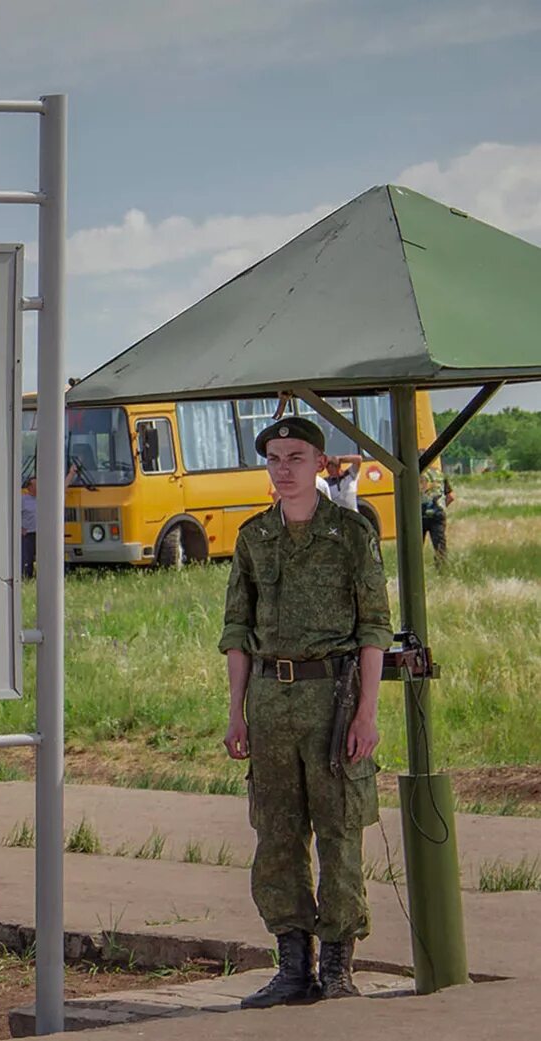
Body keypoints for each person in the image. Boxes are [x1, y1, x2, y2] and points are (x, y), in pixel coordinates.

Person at [220, 415, 391, 1009]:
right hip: (269, 701)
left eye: (295, 457)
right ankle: (293, 965)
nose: (283, 468)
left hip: (333, 701)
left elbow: (374, 629)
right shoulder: (251, 538)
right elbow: (237, 630)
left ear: (321, 463)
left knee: (340, 832)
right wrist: (236, 712)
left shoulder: (350, 535)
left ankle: (339, 967)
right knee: (276, 835)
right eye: (274, 458)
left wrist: (367, 713)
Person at [420, 466, 454, 567]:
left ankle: (414, 572)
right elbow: (451, 496)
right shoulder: (439, 474)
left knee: (415, 549)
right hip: (438, 514)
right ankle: (441, 569)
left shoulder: (415, 473)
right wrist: (442, 507)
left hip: (419, 515)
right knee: (440, 546)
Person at [20, 475, 37, 579]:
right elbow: (15, 515)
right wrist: (21, 528)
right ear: (29, 487)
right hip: (28, 534)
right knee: (27, 559)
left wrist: (71, 474)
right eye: (36, 485)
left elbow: (61, 489)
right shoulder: (23, 500)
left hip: (41, 534)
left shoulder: (44, 498)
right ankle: (27, 578)